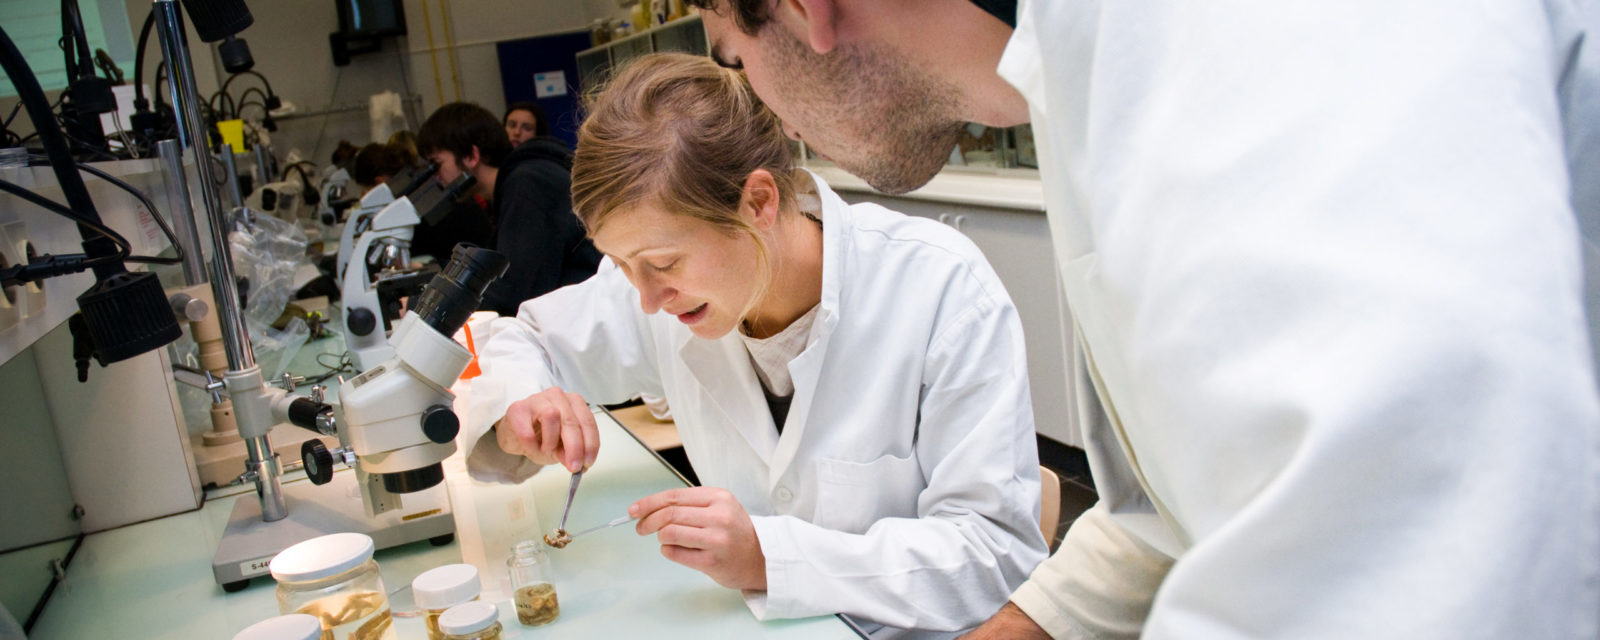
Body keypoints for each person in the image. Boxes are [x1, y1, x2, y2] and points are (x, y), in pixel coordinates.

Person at [686, 0, 1600, 638]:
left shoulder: (1232, 38)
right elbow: (1188, 495)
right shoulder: (1088, 68)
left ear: (803, 9)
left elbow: (1410, 542)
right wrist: (1025, 626)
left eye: (736, 59)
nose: (764, 105)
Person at [462, 53, 1047, 634]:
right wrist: (524, 404)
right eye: (620, 263)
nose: (644, 298)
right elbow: (522, 333)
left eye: (663, 262)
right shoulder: (662, 290)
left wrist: (772, 558)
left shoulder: (938, 289)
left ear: (760, 203)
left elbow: (994, 553)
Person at [417, 102, 601, 314]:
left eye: (437, 163)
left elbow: (516, 294)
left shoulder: (528, 184)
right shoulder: (516, 184)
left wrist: (429, 304)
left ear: (471, 156)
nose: (436, 176)